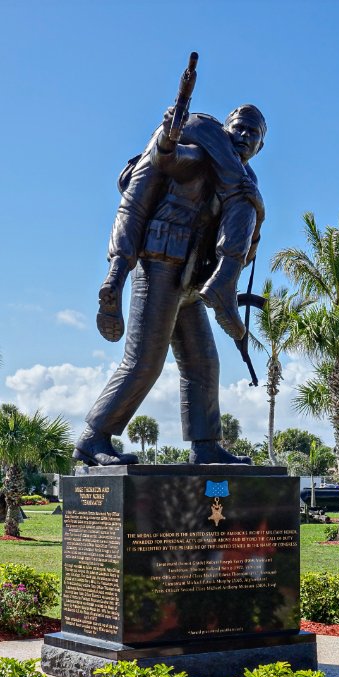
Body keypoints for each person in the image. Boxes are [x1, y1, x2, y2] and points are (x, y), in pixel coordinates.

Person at [73, 102, 266, 467]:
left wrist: (257, 203)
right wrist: (168, 138)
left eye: (252, 133)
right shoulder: (199, 154)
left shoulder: (241, 184)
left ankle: (205, 444)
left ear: (259, 147)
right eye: (238, 127)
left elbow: (248, 245)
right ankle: (92, 438)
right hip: (161, 262)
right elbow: (167, 164)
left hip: (193, 278)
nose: (243, 136)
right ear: (225, 129)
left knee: (203, 363)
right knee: (144, 360)